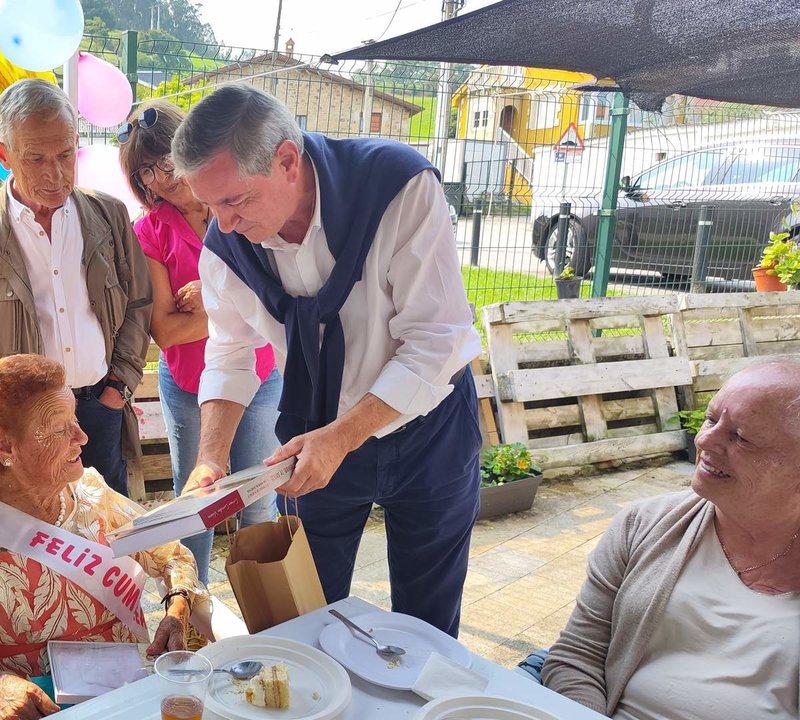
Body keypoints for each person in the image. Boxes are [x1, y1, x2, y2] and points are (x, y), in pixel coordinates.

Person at [171, 83, 482, 637]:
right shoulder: (226, 243)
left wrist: (343, 436)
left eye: (235, 201)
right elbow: (230, 350)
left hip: (428, 427)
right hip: (315, 435)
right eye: (208, 206)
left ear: (287, 160)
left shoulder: (396, 186)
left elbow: (435, 339)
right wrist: (210, 458)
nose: (222, 224)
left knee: (428, 621)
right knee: (304, 612)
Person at [0, 354, 204, 720]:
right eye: (59, 428)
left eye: (74, 419)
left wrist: (177, 609)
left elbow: (173, 555)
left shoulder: (94, 495)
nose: (82, 436)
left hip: (131, 699)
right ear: (3, 445)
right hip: (44, 710)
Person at [543, 363, 800, 719]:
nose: (704, 440)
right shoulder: (644, 524)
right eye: (711, 420)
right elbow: (577, 656)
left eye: (740, 437)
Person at [0, 78, 152, 497]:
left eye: (65, 154)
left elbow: (138, 302)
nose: (56, 174)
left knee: (105, 530)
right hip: (22, 423)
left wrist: (118, 388)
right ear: (4, 155)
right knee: (30, 533)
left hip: (99, 406)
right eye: (36, 158)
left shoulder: (108, 216)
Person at [118, 99, 281, 584]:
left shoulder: (240, 207)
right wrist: (230, 305)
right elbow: (166, 330)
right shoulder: (148, 231)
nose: (160, 177)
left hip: (259, 372)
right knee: (197, 500)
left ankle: (268, 604)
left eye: (165, 159)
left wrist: (210, 301)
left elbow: (273, 301)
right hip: (186, 381)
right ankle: (193, 606)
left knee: (259, 494)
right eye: (146, 170)